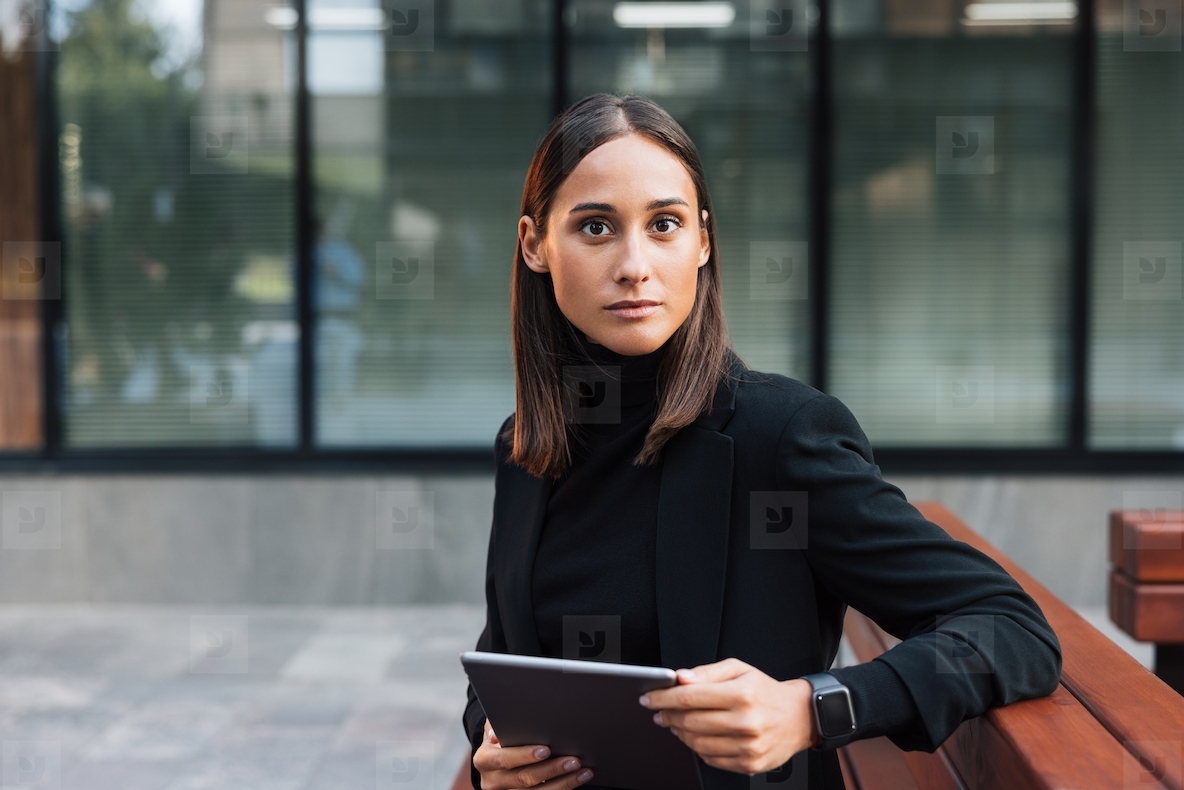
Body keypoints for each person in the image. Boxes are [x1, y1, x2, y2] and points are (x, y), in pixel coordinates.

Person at [461, 93, 1061, 790]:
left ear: (704, 242)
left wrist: (811, 708)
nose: (634, 264)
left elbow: (1010, 629)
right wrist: (490, 754)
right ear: (535, 244)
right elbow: (501, 660)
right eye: (595, 227)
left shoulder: (780, 437)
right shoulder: (525, 446)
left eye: (664, 224)